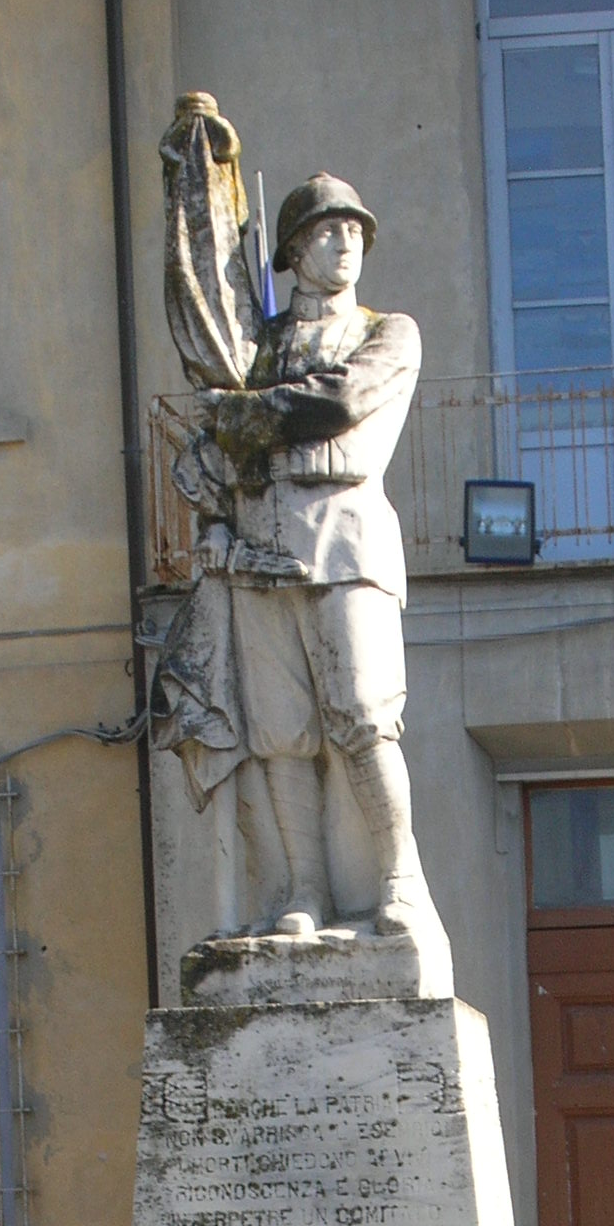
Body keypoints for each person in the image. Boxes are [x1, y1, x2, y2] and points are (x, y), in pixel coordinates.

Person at [198, 174, 436, 938]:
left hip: (344, 534)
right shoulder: (253, 349)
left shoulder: (387, 330)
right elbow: (216, 437)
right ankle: (304, 890)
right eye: (330, 233)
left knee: (364, 717)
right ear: (295, 251)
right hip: (258, 545)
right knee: (280, 732)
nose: (347, 245)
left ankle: (400, 880)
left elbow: (337, 401)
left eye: (355, 232)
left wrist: (248, 414)